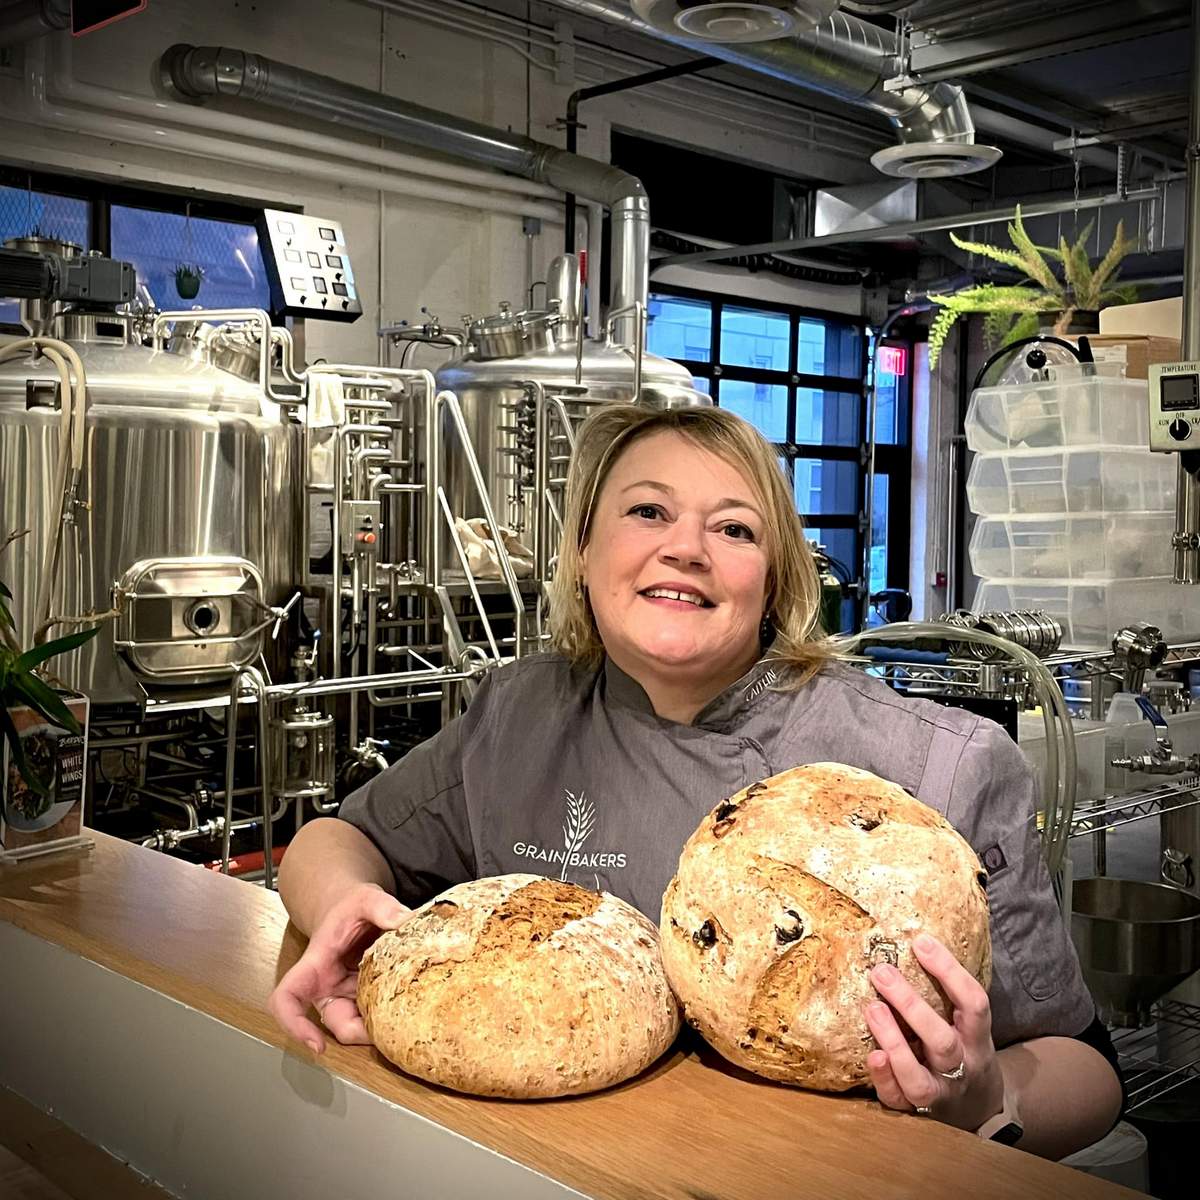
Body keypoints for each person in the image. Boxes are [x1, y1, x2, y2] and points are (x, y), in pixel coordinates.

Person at [270, 404, 1122, 1159]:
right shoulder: (520, 716)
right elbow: (338, 839)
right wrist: (339, 904)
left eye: (735, 529)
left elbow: (1089, 1071)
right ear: (580, 552)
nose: (685, 548)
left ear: (776, 578)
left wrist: (983, 1103)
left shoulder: (939, 766)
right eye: (647, 512)